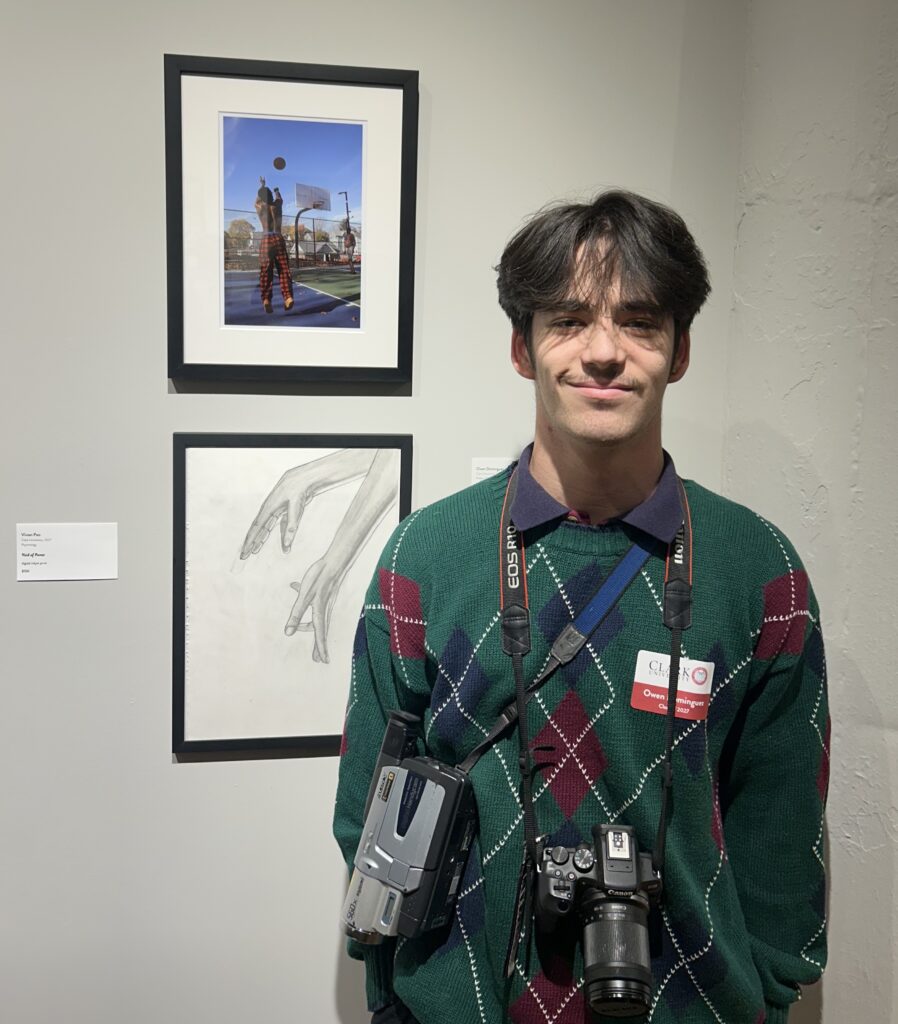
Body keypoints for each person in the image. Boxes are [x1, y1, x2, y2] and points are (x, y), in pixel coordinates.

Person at [334, 191, 829, 1024]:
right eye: (568, 320)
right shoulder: (425, 556)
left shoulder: (759, 570)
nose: (604, 353)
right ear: (522, 350)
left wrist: (766, 996)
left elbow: (783, 842)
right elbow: (367, 815)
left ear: (680, 352)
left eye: (639, 322)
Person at [254, 177, 294, 313]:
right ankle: (288, 297)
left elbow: (256, 201)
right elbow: (280, 198)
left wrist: (262, 185)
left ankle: (266, 299)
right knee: (284, 270)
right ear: (271, 195)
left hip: (266, 239)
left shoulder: (260, 207)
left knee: (266, 271)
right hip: (278, 238)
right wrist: (276, 190)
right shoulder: (277, 205)